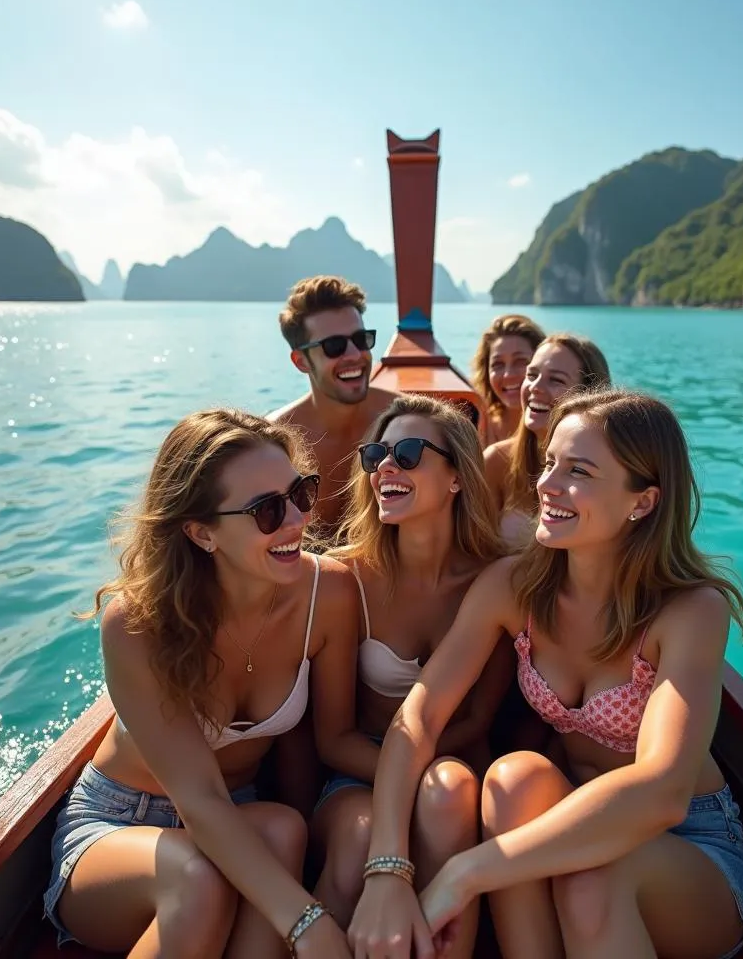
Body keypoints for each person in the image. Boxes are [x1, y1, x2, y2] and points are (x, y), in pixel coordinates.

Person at [348, 387, 743, 959]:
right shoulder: (512, 586)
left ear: (641, 503)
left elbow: (663, 791)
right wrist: (387, 869)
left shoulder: (689, 609)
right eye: (549, 464)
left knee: (592, 880)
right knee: (513, 778)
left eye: (579, 471)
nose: (546, 485)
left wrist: (464, 873)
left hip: (688, 844)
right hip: (575, 820)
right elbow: (418, 718)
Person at [42, 408, 361, 958]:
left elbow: (327, 741)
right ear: (201, 532)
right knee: (197, 877)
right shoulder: (139, 623)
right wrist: (311, 922)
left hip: (238, 813)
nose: (295, 521)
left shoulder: (326, 595)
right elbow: (199, 798)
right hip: (120, 824)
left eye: (300, 494)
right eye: (266, 510)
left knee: (284, 829)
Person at [311, 394, 510, 956]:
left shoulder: (492, 582)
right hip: (357, 770)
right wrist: (403, 782)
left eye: (407, 451)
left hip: (453, 767)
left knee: (447, 792)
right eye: (376, 454)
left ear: (456, 478)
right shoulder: (345, 578)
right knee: (355, 840)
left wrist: (424, 783)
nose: (385, 467)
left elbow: (475, 720)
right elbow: (332, 738)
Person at [270, 275, 397, 546]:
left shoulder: (399, 421)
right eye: (334, 346)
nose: (354, 355)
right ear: (301, 361)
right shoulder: (278, 443)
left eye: (361, 340)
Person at [484, 332, 610, 545]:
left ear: (588, 396)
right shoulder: (496, 461)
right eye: (532, 375)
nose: (535, 387)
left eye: (555, 380)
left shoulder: (606, 470)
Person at [470, 313, 546, 448]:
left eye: (521, 361)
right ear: (486, 372)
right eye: (498, 364)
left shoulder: (559, 430)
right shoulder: (473, 426)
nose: (508, 374)